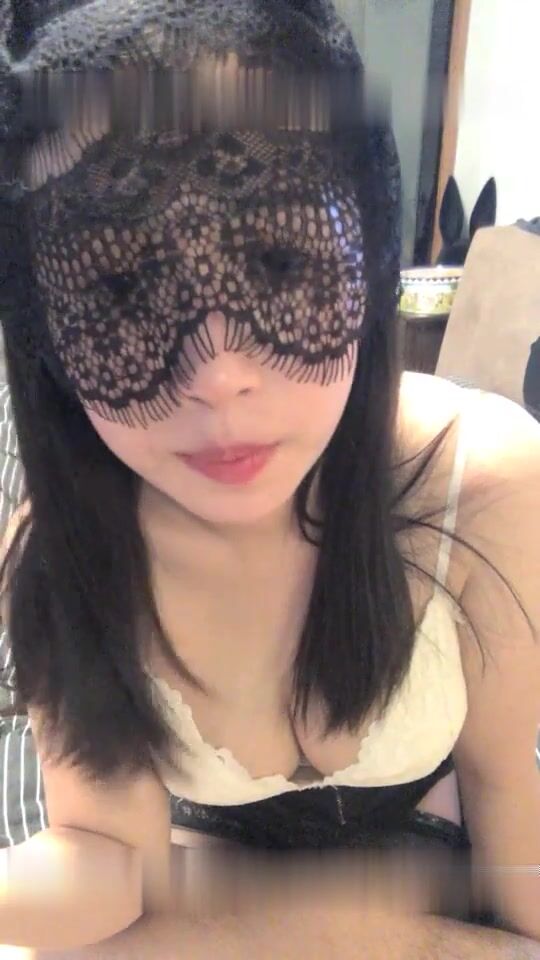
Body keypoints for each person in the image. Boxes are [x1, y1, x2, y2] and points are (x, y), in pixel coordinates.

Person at [0, 0, 539, 956]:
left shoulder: (485, 487)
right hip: (200, 907)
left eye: (280, 260)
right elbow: (107, 860)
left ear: (362, 248)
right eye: (119, 288)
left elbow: (511, 814)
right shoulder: (65, 547)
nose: (218, 375)